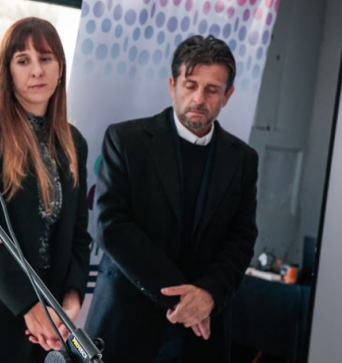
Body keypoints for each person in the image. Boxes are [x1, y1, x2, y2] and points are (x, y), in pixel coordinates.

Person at [85, 35, 259, 363]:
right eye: (190, 85)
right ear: (172, 85)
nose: (199, 98)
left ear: (228, 95)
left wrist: (209, 295)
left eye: (212, 90)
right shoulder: (126, 140)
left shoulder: (243, 160)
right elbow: (111, 226)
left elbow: (242, 239)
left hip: (201, 336)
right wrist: (184, 300)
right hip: (126, 324)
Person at [0, 17, 92, 363]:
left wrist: (71, 300)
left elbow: (78, 234)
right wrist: (30, 305)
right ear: (8, 71)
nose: (37, 71)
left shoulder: (74, 142)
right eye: (23, 60)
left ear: (60, 67)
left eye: (45, 58)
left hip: (52, 327)